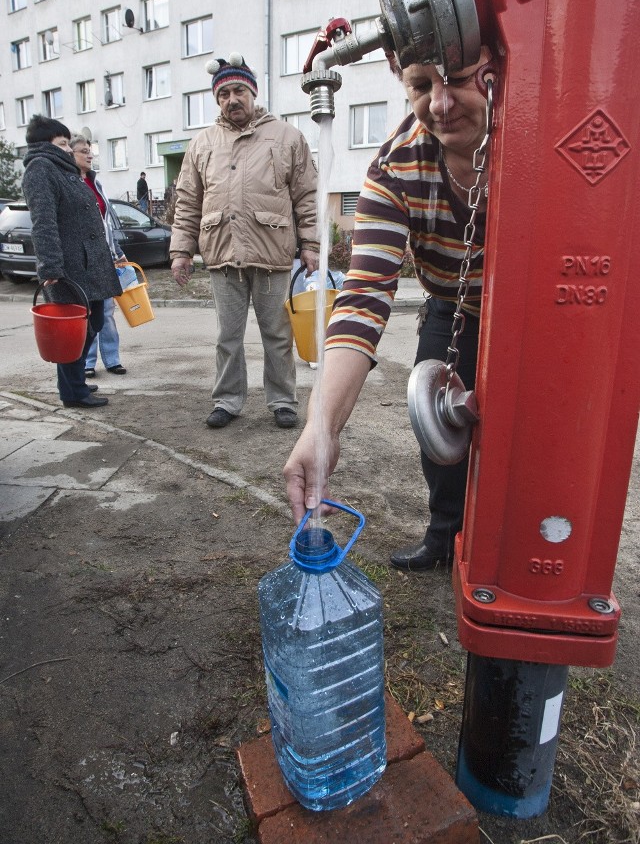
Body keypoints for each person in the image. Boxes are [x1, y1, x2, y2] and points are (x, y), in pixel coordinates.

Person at [284, 46, 493, 570]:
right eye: (422, 86)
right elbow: (362, 298)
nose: (441, 104)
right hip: (452, 306)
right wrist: (322, 429)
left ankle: (506, 547)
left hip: (537, 312)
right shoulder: (396, 168)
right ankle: (445, 536)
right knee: (438, 430)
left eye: (459, 78)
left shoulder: (542, 135)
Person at [170, 53, 319, 429]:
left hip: (273, 254)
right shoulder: (202, 143)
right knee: (227, 337)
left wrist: (312, 245)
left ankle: (283, 400)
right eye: (223, 94)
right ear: (217, 99)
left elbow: (306, 195)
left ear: (252, 92)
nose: (231, 99)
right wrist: (181, 252)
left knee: (277, 335)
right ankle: (227, 401)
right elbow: (188, 199)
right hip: (222, 253)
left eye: (238, 91)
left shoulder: (287, 137)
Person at [21, 116, 121, 408]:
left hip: (89, 265)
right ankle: (73, 392)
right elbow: (43, 222)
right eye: (62, 143)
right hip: (70, 268)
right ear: (45, 144)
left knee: (94, 322)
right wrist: (50, 267)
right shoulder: (40, 169)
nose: (68, 149)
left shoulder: (65, 171)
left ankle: (74, 381)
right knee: (74, 330)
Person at [69, 136, 128, 379]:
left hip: (104, 256)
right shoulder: (70, 184)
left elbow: (106, 225)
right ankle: (87, 363)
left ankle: (112, 359)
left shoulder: (95, 183)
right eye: (83, 151)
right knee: (88, 312)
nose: (89, 155)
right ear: (70, 155)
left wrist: (118, 253)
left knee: (107, 311)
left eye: (90, 151)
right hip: (83, 259)